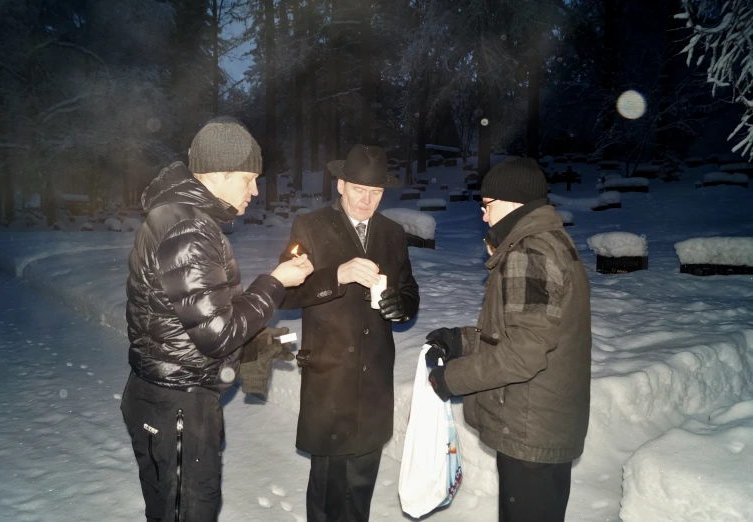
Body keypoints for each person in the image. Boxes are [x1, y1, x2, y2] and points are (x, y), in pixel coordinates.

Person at [121, 117, 314, 522]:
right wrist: (275, 282)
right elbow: (217, 334)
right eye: (248, 178)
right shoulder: (188, 228)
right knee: (187, 512)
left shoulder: (181, 217)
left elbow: (199, 312)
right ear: (217, 175)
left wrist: (259, 338)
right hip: (177, 405)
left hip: (171, 400)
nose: (255, 190)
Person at [426, 156, 591, 522]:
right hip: (541, 422)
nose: (483, 216)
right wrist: (462, 340)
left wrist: (451, 379)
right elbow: (526, 332)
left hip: (530, 429)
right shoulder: (549, 243)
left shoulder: (530, 254)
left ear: (515, 203)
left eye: (487, 206)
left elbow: (523, 355)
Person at [278, 144, 420, 522]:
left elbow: (409, 290)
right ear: (340, 184)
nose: (366, 200)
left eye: (375, 192)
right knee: (327, 488)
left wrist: (400, 305)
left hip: (373, 379)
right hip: (329, 376)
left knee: (360, 485)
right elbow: (286, 294)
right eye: (359, 189)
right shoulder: (310, 227)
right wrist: (336, 276)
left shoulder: (392, 233)